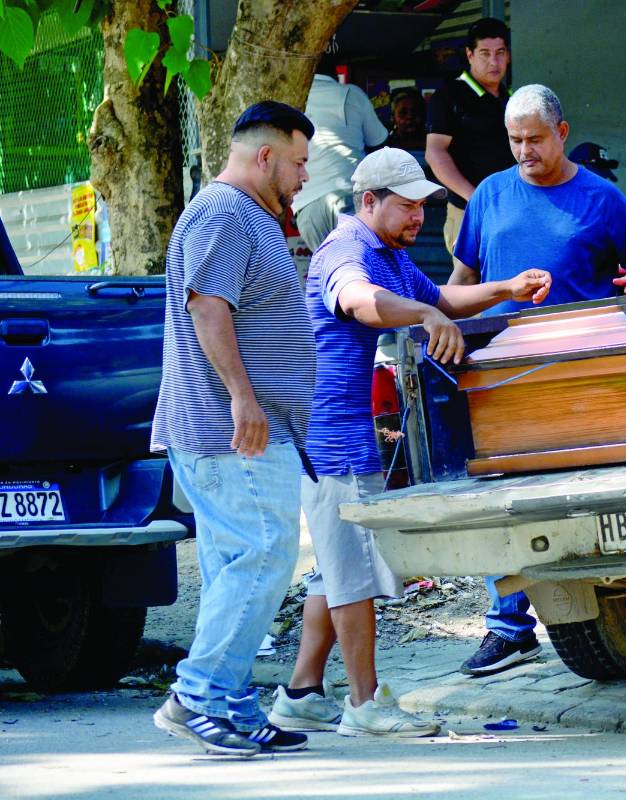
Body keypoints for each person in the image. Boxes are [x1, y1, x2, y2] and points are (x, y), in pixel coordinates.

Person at [267, 147, 552, 735]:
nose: (419, 217)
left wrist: (508, 288)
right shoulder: (346, 251)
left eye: (423, 206)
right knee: (352, 575)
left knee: (333, 571)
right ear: (369, 201)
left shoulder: (391, 253)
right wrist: (423, 316)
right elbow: (359, 303)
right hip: (329, 438)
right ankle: (365, 705)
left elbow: (444, 299)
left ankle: (301, 693)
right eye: (407, 206)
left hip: (349, 435)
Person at [453, 84, 626, 673]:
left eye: (535, 139)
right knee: (502, 498)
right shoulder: (489, 195)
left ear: (562, 133)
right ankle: (508, 626)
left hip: (581, 375)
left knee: (581, 495)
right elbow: (461, 282)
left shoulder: (601, 197)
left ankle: (606, 604)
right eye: (514, 140)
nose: (525, 151)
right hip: (500, 374)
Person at [150, 101, 317, 757]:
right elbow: (208, 307)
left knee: (234, 568)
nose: (304, 176)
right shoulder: (224, 211)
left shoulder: (250, 214)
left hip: (239, 429)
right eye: (299, 162)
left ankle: (232, 704)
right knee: (265, 553)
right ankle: (196, 696)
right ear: (265, 156)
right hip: (234, 431)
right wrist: (243, 398)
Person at [425, 17, 512, 269]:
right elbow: (435, 153)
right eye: (485, 53)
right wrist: (475, 198)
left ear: (508, 56)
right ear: (470, 54)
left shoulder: (510, 98)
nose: (493, 61)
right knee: (470, 284)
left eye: (500, 53)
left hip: (510, 211)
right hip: (468, 212)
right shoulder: (450, 95)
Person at [292, 62, 389, 259]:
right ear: (335, 73)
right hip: (348, 194)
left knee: (333, 271)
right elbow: (380, 144)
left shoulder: (291, 100)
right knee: (363, 268)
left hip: (307, 208)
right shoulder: (352, 93)